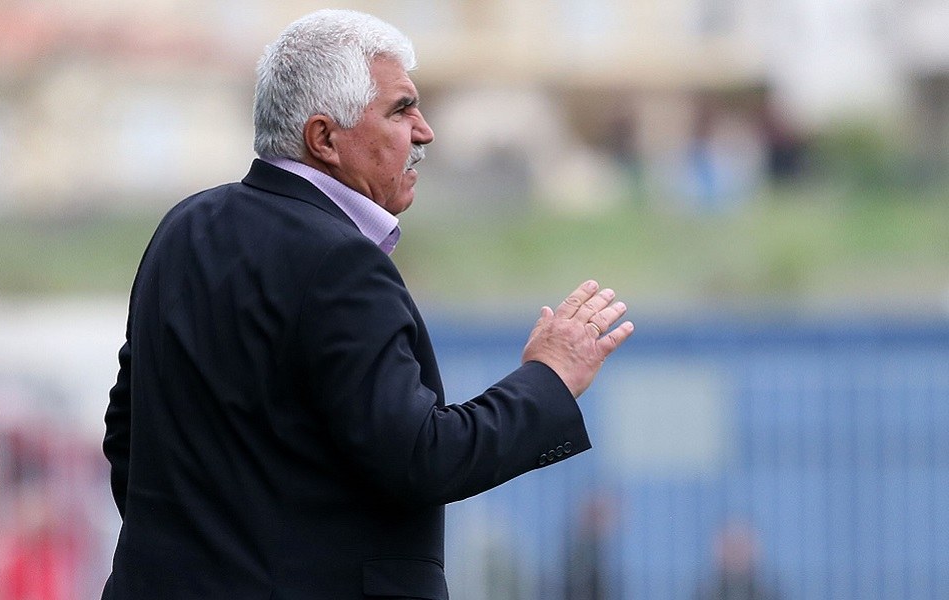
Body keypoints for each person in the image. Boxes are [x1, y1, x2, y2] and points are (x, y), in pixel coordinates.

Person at [101, 9, 634, 599]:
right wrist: (550, 377)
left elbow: (129, 434)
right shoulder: (339, 260)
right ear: (324, 139)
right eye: (401, 110)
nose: (424, 132)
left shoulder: (183, 228)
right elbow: (421, 457)